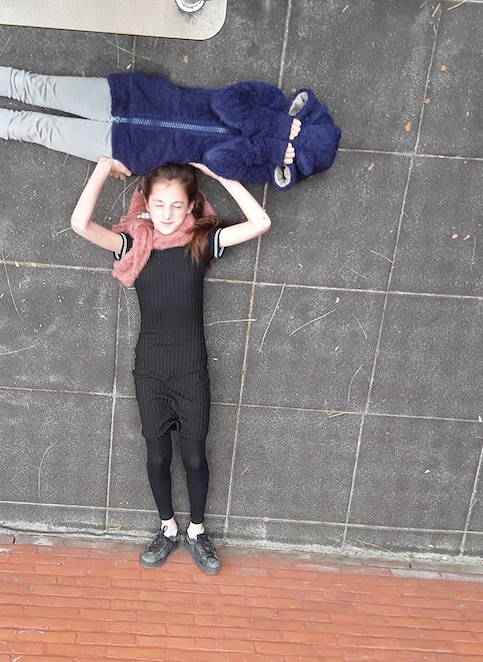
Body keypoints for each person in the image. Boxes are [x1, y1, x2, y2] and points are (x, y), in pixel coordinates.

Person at [69, 150, 297, 573]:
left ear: (192, 204)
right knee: (157, 457)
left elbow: (260, 222)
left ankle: (196, 531)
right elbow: (81, 224)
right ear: (145, 202)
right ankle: (167, 528)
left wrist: (223, 174)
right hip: (150, 372)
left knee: (194, 458)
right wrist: (102, 167)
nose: (167, 214)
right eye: (159, 204)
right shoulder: (134, 245)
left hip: (191, 372)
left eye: (177, 205)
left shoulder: (200, 241)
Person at [0, 18, 337, 190]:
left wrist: (273, 147)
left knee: (30, 127)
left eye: (295, 147)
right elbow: (226, 104)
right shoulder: (272, 102)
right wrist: (276, 125)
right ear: (299, 119)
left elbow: (220, 159)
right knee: (31, 86)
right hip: (134, 95)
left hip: (130, 149)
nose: (291, 139)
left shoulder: (264, 164)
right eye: (297, 132)